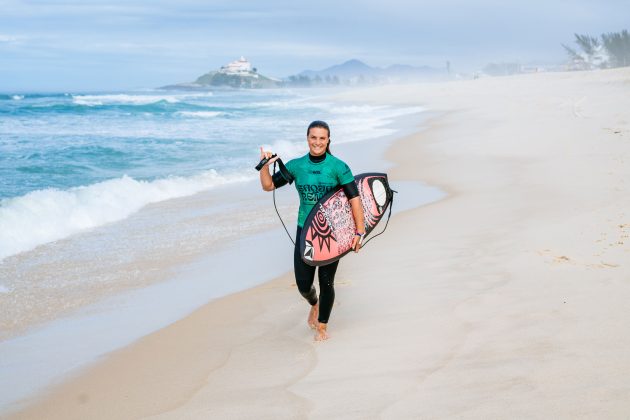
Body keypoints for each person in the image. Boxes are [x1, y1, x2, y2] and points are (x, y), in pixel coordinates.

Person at [259, 120, 365, 341]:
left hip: (332, 232)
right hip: (305, 231)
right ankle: (314, 304)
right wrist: (265, 165)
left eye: (322, 138)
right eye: (313, 137)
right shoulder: (298, 166)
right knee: (303, 284)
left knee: (327, 281)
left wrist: (359, 232)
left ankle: (322, 327)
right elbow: (268, 186)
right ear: (307, 139)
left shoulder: (338, 167)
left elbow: (355, 199)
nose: (317, 142)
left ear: (328, 140)